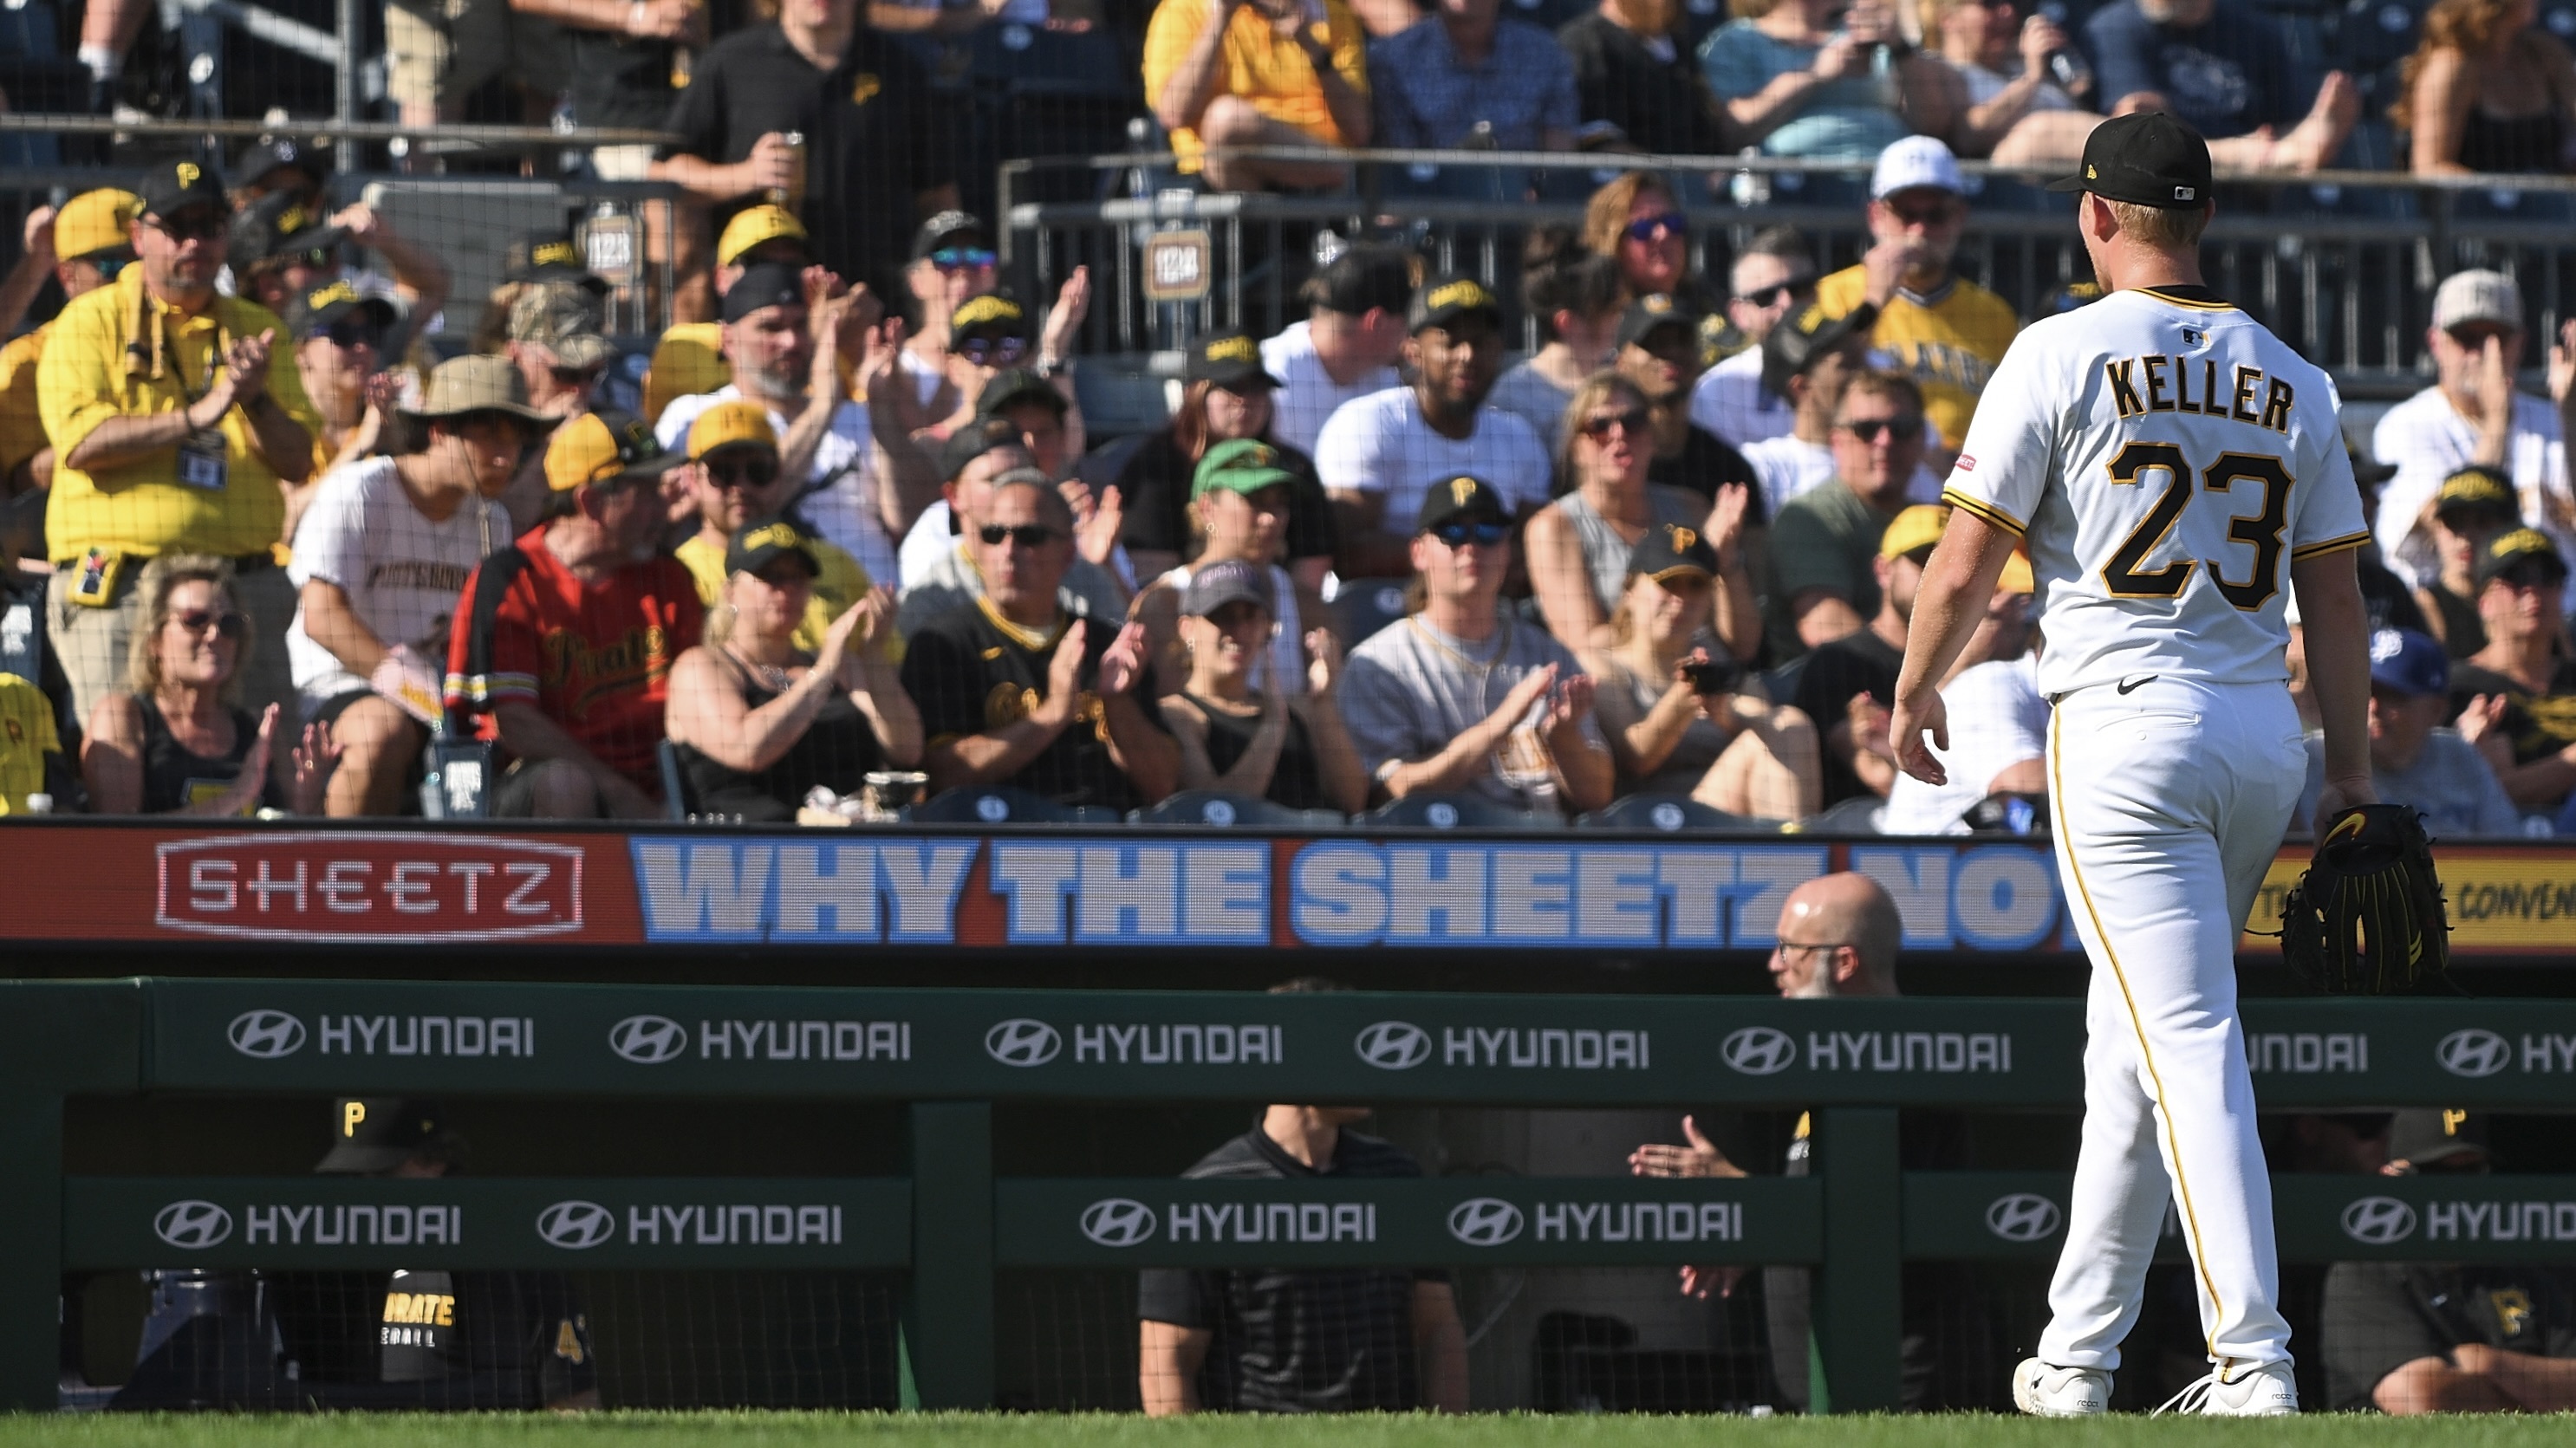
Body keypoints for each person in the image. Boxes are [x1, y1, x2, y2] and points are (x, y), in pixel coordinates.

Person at [1890, 112, 2377, 1417]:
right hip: (2259, 734)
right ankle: (2076, 1355)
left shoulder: (2054, 348)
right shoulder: (2299, 374)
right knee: (2134, 1042)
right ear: (2202, 216)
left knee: (2188, 1034)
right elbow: (2336, 605)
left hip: (2122, 724)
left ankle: (2252, 1357)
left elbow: (1959, 559)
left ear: (2095, 214)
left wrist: (1911, 684)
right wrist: (2355, 774)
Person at [1628, 872, 1969, 1412]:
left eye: (1790, 949)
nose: (1774, 965)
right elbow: (1827, 1222)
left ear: (1845, 962)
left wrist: (1751, 1200)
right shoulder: (1824, 1072)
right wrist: (1761, 1237)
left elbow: (1870, 1222)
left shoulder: (1914, 1067)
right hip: (1805, 1393)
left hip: (1897, 1395)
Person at [37, 159, 321, 742]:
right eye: (178, 226)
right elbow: (81, 443)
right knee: (124, 757)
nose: (196, 241)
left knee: (268, 761)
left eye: (211, 226)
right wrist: (198, 415)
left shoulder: (258, 328)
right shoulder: (87, 322)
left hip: (239, 593)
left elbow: (296, 461)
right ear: (140, 236)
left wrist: (254, 399)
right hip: (122, 587)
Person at [120, 1096, 599, 1411]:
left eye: (380, 1177)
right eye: (354, 1180)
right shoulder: (311, 1265)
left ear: (434, 1164)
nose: (362, 1196)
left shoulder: (514, 1259)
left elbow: (575, 1405)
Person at [1140, 977, 1467, 1415]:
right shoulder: (1207, 1193)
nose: (1373, 1062)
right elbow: (1167, 1368)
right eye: (1352, 1048)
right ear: (1289, 1055)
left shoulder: (1398, 1175)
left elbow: (1438, 1328)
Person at [288, 358, 549, 818]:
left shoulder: (494, 519)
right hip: (343, 683)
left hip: (447, 694)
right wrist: (416, 693)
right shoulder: (361, 491)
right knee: (383, 730)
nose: (507, 458)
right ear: (440, 430)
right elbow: (322, 617)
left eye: (515, 440)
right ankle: (341, 869)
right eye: (490, 437)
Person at [445, 410, 703, 819]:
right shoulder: (510, 578)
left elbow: (699, 700)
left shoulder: (670, 578)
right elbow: (516, 723)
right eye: (647, 492)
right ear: (592, 501)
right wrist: (620, 794)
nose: (663, 508)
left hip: (662, 781)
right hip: (538, 785)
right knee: (565, 784)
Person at [900, 473, 1178, 809]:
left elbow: (1163, 785)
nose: (1008, 551)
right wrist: (1053, 714)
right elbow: (943, 774)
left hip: (1102, 842)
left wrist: (1117, 703)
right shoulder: (943, 643)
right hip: (994, 841)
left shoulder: (1109, 648)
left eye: (1029, 536)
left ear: (1067, 554)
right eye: (993, 534)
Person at [650, 0, 965, 296]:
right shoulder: (733, 62)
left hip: (871, 298)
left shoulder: (899, 70)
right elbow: (663, 173)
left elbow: (939, 199)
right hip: (762, 303)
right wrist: (746, 175)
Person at [1338, 476, 1613, 815]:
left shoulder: (1548, 654)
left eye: (1488, 532)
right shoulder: (1379, 664)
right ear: (1419, 553)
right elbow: (1391, 793)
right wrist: (1500, 724)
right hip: (1434, 854)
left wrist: (1566, 737)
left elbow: (1598, 797)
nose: (1471, 546)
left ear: (1506, 549)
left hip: (1541, 849)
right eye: (1452, 533)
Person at [654, 261, 928, 588]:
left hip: (872, 603)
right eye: (771, 328)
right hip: (765, 602)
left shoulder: (856, 414)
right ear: (728, 340)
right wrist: (823, 408)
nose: (791, 342)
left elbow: (910, 521)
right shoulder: (695, 414)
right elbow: (749, 501)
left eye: (800, 326)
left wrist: (882, 413)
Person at [2319, 1110, 2576, 1413]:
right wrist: (2540, 1391)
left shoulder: (2519, 1267)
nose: (2453, 1192)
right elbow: (2421, 1397)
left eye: (2470, 1174)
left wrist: (2484, 1361)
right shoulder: (2362, 1272)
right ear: (2390, 1178)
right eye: (2434, 1175)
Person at [666, 516, 920, 820]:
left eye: (798, 577)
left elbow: (907, 749)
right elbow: (746, 749)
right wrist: (823, 673)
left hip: (848, 842)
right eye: (771, 576)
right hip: (745, 851)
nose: (786, 590)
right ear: (730, 592)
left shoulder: (840, 666)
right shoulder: (700, 667)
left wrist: (874, 653)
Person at [1313, 276, 1554, 576]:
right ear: (1413, 352)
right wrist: (1464, 559)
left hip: (1492, 611)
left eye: (1480, 343)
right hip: (1382, 607)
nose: (1467, 356)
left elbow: (1538, 551)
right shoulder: (1367, 424)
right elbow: (1348, 551)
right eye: (1450, 343)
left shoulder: (1519, 437)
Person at [1584, 523, 1821, 817]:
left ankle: (1797, 856)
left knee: (1789, 724)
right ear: (1629, 590)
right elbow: (1635, 758)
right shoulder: (1603, 665)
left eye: (1695, 585)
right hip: (1650, 822)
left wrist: (1726, 714)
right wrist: (1682, 700)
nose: (1681, 600)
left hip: (1722, 816)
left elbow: (1775, 723)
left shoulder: (1716, 658)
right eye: (1668, 583)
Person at [1812, 137, 2020, 464]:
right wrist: (1874, 301)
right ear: (1876, 216)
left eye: (1935, 215)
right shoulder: (1834, 294)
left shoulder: (1994, 314)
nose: (1920, 230)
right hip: (1871, 471)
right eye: (1906, 214)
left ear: (1959, 217)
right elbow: (1822, 397)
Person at [2371, 269, 2576, 597]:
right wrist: (2497, 419)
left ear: (2521, 343)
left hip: (2556, 619)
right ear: (2436, 342)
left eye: (2497, 337)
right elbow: (2449, 520)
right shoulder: (2406, 424)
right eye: (2467, 338)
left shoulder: (2556, 418)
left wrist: (2570, 413)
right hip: (2453, 623)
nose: (2482, 353)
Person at [1528, 372, 1758, 659]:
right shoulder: (1553, 527)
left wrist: (1724, 562)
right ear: (1576, 449)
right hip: (1623, 690)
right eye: (1599, 426)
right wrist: (1666, 610)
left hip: (1711, 674)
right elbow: (1584, 645)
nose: (1618, 434)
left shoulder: (1691, 508)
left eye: (1633, 422)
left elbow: (1743, 647)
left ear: (1652, 436)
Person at [81, 556, 335, 816]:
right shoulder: (123, 716)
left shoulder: (260, 728)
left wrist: (309, 797)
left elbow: (292, 835)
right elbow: (119, 841)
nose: (215, 635)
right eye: (195, 620)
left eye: (229, 624)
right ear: (154, 639)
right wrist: (238, 795)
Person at [1110, 331, 1337, 614]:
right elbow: (1152, 582)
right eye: (1232, 387)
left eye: (1257, 388)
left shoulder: (1293, 468)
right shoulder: (1155, 468)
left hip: (1273, 615)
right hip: (1186, 618)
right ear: (1194, 393)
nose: (1245, 400)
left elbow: (1309, 584)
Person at [670, 401, 892, 661]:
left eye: (758, 471)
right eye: (724, 473)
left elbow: (888, 662)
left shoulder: (833, 561)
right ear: (692, 479)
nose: (741, 487)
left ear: (779, 473)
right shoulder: (679, 575)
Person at [1158, 559, 1368, 812]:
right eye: (1223, 616)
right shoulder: (1177, 714)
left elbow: (1353, 801)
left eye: (1251, 616)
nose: (1240, 630)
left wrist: (1323, 703)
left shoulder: (1296, 712)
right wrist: (1272, 725)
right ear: (1187, 628)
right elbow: (1215, 813)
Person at [895, 419, 1130, 630]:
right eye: (994, 480)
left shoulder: (1081, 574)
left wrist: (1106, 566)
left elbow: (1134, 652)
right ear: (954, 496)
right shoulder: (931, 597)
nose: (1012, 490)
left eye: (1021, 475)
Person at [2291, 627, 2521, 838]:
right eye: (2364, 692)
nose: (2373, 708)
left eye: (2393, 697)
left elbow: (2510, 851)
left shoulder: (2459, 756)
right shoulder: (2311, 760)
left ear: (2436, 710)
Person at [2082, 0, 2358, 172]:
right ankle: (2269, 158)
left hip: (2248, 190)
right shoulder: (2116, 26)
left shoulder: (2256, 33)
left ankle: (2282, 156)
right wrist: (2241, 152)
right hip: (2163, 189)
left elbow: (2284, 120)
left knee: (2296, 149)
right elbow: (2138, 123)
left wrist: (2302, 137)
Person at [1766, 371, 1933, 657]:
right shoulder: (1809, 516)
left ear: (1921, 439)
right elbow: (1825, 627)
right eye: (1866, 429)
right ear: (1837, 441)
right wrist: (1930, 674)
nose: (1885, 441)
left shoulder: (1929, 518)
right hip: (1828, 688)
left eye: (1902, 427)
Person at [1134, 438, 1317, 694]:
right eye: (1256, 501)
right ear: (1207, 508)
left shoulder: (1302, 599)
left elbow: (1324, 720)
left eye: (1280, 502)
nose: (1272, 518)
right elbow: (1173, 717)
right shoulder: (1164, 600)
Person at [1878, 551, 2042, 834]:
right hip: (1929, 871)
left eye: (2022, 603)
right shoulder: (1990, 684)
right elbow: (2026, 788)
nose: (2013, 617)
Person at [1792, 502, 1940, 809]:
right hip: (1866, 839)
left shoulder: (1984, 656)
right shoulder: (1839, 662)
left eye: (1944, 565)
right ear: (1883, 571)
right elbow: (1880, 778)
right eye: (1921, 562)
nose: (1936, 578)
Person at [1142, 0, 1374, 190]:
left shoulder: (1331, 13)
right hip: (1217, 184)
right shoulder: (1180, 10)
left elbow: (1359, 129)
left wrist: (1310, 44)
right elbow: (1173, 114)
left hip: (1319, 176)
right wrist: (1219, 20)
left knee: (1227, 118)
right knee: (1227, 120)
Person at [1739, 305, 1939, 523]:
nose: (1866, 371)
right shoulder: (1763, 469)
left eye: (1864, 357)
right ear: (1802, 388)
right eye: (1849, 364)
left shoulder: (1901, 456)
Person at [0, 188, 137, 495]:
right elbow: (21, 482)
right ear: (67, 275)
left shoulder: (191, 336)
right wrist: (137, 436)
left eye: (140, 262)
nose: (132, 277)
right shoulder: (28, 359)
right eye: (111, 265)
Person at [1698, 0, 1951, 160]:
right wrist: (1815, 75)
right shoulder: (1737, 40)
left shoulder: (1867, 31)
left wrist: (1901, 48)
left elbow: (1932, 127)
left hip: (1895, 187)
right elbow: (1733, 129)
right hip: (1793, 187)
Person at [2450, 529, 2576, 821]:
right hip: (2509, 851)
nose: (2532, 591)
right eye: (2516, 578)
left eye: (2547, 577)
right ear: (2484, 602)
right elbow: (2489, 794)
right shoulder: (2459, 688)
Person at [279, 280, 406, 547]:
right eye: (343, 334)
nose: (362, 347)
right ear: (301, 352)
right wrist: (358, 448)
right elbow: (283, 524)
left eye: (371, 334)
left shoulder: (383, 428)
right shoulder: (276, 425)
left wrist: (393, 438)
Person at [1611, 294, 1764, 510]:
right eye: (1655, 343)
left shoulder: (1726, 466)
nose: (1672, 352)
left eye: (1683, 340)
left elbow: (1753, 540)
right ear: (1621, 363)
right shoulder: (1610, 456)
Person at [1367, 0, 1578, 155]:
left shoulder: (1544, 54)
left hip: (1521, 205)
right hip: (1428, 203)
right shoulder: (1393, 59)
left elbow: (1558, 155)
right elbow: (1396, 165)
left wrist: (1542, 192)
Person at [1259, 243, 1412, 456]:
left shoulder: (1389, 379)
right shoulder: (1272, 371)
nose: (1410, 333)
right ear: (1376, 323)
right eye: (1406, 320)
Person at [2392, 0, 2576, 175]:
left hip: (2551, 205)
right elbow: (2430, 168)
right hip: (2471, 204)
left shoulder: (2544, 54)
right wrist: (2501, 192)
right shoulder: (2451, 66)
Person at [1486, 231, 1623, 451]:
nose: (1619, 319)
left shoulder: (1625, 381)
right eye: (1609, 310)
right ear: (1566, 323)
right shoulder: (1509, 399)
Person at [1920, 0, 2099, 166]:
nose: (2007, 12)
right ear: (1948, 19)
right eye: (1990, 4)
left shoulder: (2023, 62)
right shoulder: (1943, 69)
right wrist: (2032, 78)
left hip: (2085, 174)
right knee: (2039, 130)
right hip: (2004, 184)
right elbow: (1967, 137)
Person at [1688, 226, 1820, 450]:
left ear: (1817, 295)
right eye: (1766, 296)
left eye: (1798, 289)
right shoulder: (1716, 391)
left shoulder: (1861, 371)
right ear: (1739, 314)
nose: (1786, 305)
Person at [1556, 0, 1730, 155]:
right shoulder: (1586, 45)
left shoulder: (1681, 50)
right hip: (1631, 186)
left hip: (1700, 182)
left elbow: (1713, 132)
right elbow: (1599, 142)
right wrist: (1671, 177)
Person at [2415, 466, 2521, 658]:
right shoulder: (2424, 606)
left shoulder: (2534, 597)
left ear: (2511, 530)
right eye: (2454, 522)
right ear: (2437, 528)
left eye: (2482, 522)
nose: (2465, 538)